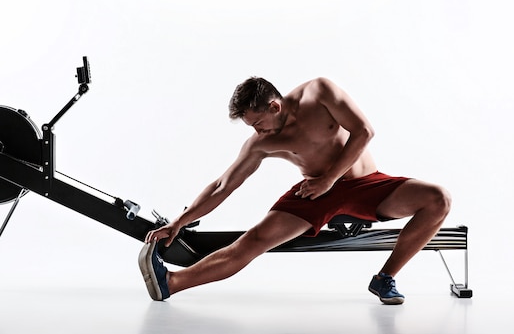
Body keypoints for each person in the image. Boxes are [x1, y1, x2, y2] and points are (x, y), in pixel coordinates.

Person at [138, 76, 451, 305]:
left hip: (364, 184)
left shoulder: (319, 93)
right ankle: (171, 283)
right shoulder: (261, 143)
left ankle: (385, 279)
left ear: (275, 106)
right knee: (254, 240)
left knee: (438, 199)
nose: (257, 132)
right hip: (314, 192)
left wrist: (330, 178)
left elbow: (364, 131)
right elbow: (222, 185)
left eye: (259, 123)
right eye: (251, 127)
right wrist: (179, 222)